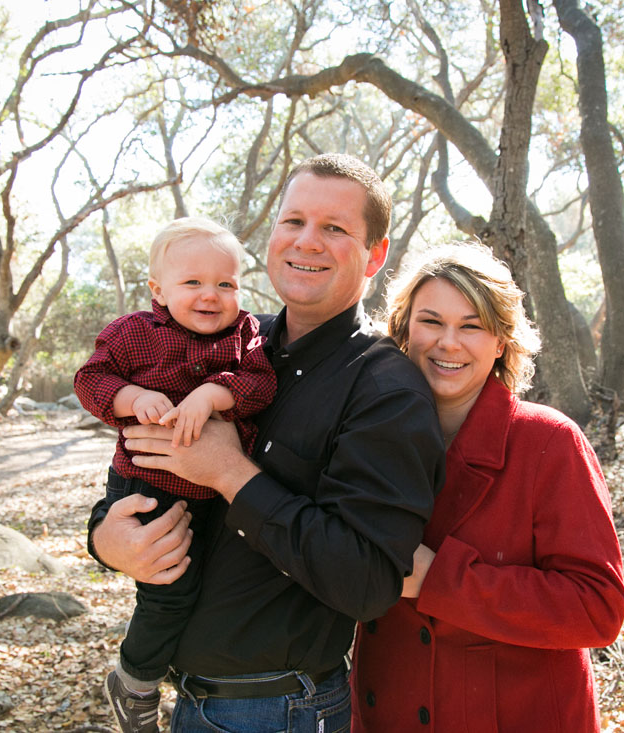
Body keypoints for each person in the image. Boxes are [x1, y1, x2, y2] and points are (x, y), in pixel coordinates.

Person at [86, 154, 446, 732]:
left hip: (278, 708)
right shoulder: (225, 344)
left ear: (374, 255)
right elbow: (141, 464)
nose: (307, 242)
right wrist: (107, 539)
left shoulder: (385, 389)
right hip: (193, 700)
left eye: (335, 228)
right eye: (293, 221)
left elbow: (369, 582)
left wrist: (230, 473)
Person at [351, 242, 624, 732]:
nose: (448, 343)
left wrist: (440, 580)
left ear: (501, 341)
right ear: (403, 332)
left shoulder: (549, 442)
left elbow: (597, 606)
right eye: (431, 322)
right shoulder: (364, 437)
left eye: (471, 325)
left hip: (516, 715)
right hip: (385, 710)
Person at [73, 217, 278, 733]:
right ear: (158, 291)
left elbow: (259, 384)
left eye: (226, 283)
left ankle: (173, 669)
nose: (211, 295)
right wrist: (133, 398)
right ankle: (136, 679)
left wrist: (214, 393)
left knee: (211, 579)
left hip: (216, 490)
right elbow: (91, 378)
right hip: (148, 483)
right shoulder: (135, 334)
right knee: (169, 588)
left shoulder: (246, 334)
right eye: (193, 283)